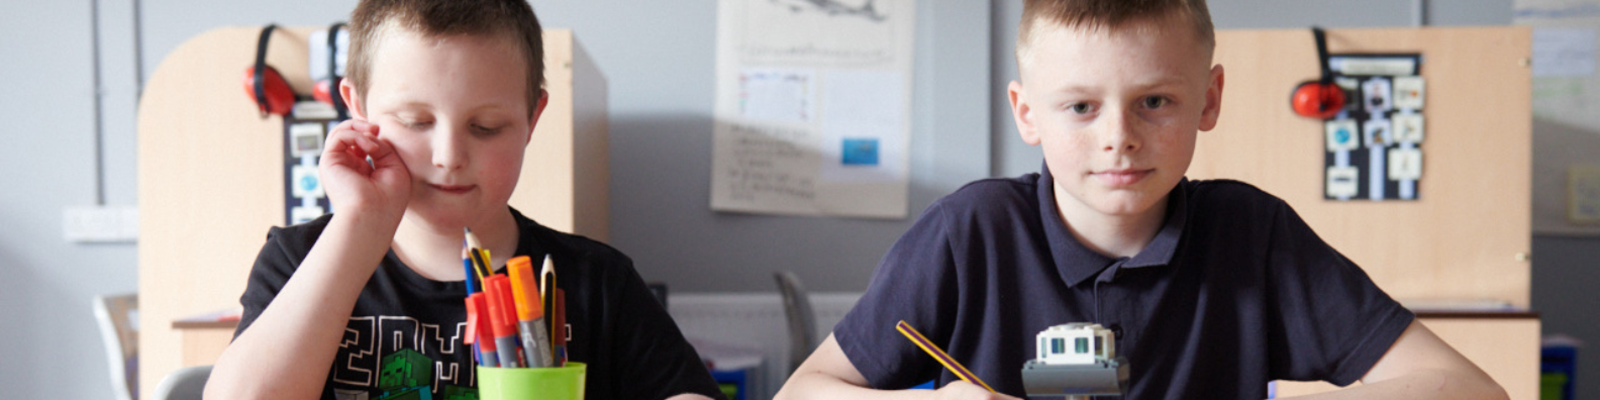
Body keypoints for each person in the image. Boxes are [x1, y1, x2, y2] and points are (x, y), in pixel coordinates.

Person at [775, 0, 1508, 399]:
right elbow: (806, 391)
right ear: (1027, 112)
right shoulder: (970, 232)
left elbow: (1474, 391)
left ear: (1209, 99)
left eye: (1154, 100)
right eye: (1080, 107)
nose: (1118, 138)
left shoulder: (1254, 233)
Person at [204, 1, 723, 399]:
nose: (450, 155)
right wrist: (359, 225)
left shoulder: (596, 281)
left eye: (486, 127)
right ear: (358, 109)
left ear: (531, 120)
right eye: (416, 122)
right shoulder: (302, 260)